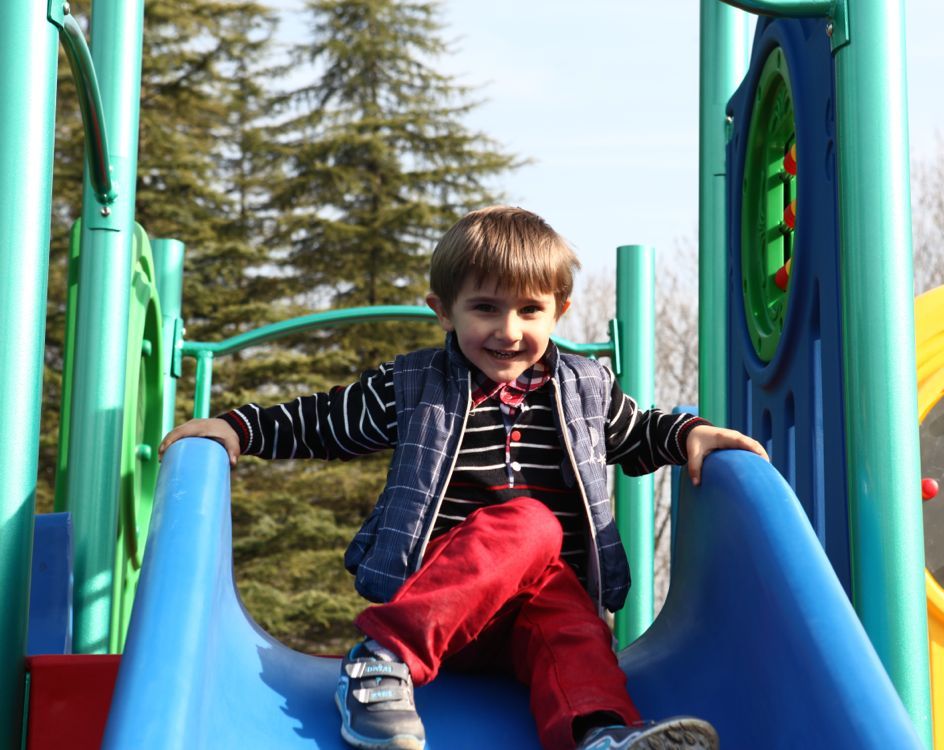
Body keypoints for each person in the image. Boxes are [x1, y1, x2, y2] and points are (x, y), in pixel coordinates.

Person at [159, 206, 768, 750]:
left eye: (530, 310)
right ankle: (381, 660)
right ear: (443, 311)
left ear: (560, 310)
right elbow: (326, 420)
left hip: (527, 623)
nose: (508, 330)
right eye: (485, 308)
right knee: (531, 524)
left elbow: (638, 431)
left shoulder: (585, 388)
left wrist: (691, 434)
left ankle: (598, 733)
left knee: (573, 621)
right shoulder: (414, 386)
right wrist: (240, 428)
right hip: (441, 610)